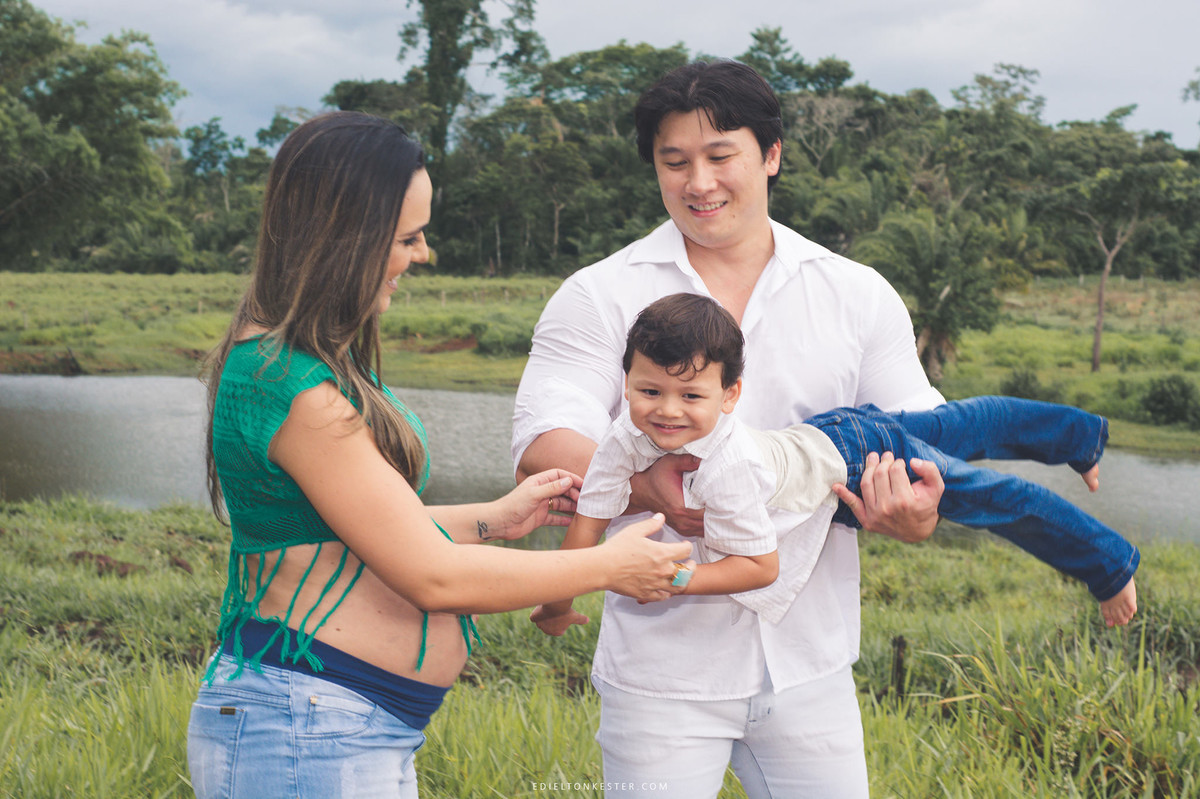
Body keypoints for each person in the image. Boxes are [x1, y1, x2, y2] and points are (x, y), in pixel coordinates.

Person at [186, 111, 693, 799]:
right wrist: (611, 565)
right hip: (307, 731)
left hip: (339, 726)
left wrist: (495, 516)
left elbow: (355, 528)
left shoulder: (297, 364)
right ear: (345, 236)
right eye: (407, 237)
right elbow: (435, 578)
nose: (422, 253)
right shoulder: (293, 385)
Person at [512, 58, 949, 799]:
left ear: (771, 155)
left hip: (811, 662)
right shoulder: (599, 292)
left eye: (721, 156)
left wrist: (916, 509)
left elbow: (922, 436)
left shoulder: (855, 293)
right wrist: (648, 485)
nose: (698, 182)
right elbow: (542, 437)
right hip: (661, 670)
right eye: (674, 161)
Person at [532, 293, 1139, 643]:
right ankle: (1083, 438)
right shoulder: (620, 435)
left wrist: (676, 578)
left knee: (994, 496)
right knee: (967, 424)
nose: (665, 412)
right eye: (648, 391)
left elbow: (759, 566)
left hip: (855, 460)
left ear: (731, 396)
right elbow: (591, 517)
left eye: (691, 397)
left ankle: (1108, 566)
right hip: (827, 432)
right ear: (628, 381)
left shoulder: (726, 467)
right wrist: (558, 600)